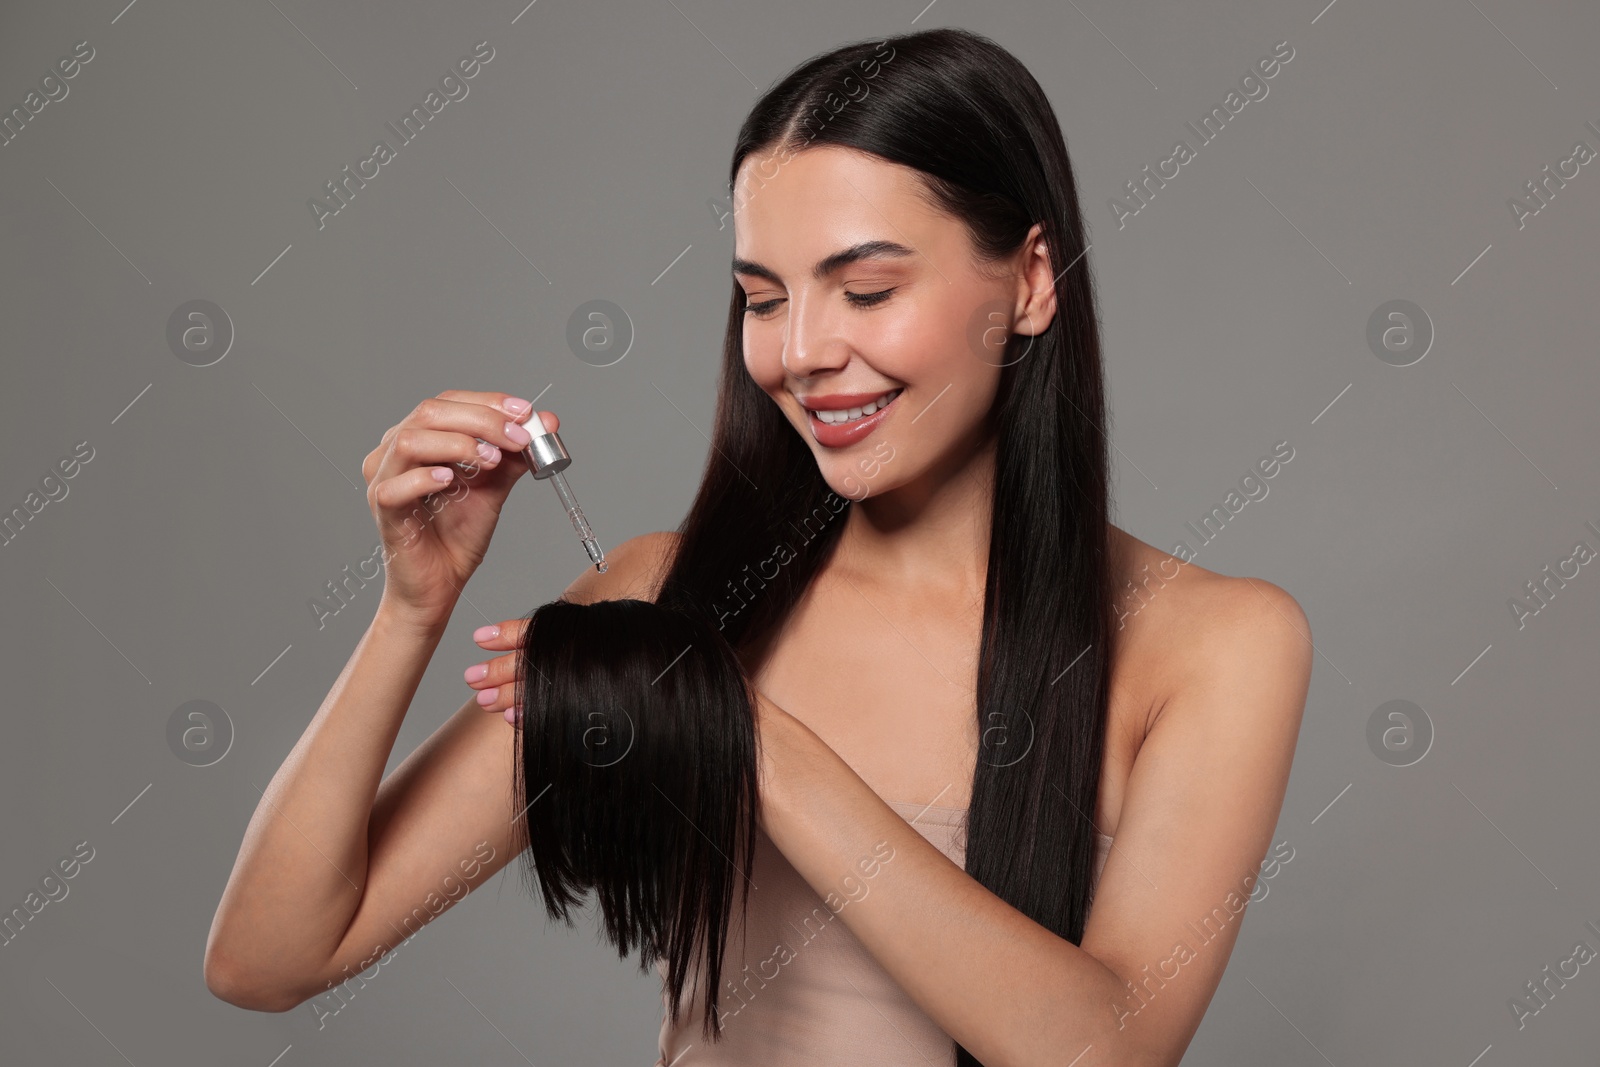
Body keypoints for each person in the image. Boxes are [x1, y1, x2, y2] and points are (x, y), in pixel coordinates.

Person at [204, 26, 1311, 1067]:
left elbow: (1106, 1045)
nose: (800, 352)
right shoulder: (667, 590)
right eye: (761, 298)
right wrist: (413, 609)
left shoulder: (1212, 642)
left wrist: (745, 736)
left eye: (865, 289)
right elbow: (269, 958)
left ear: (1027, 283)